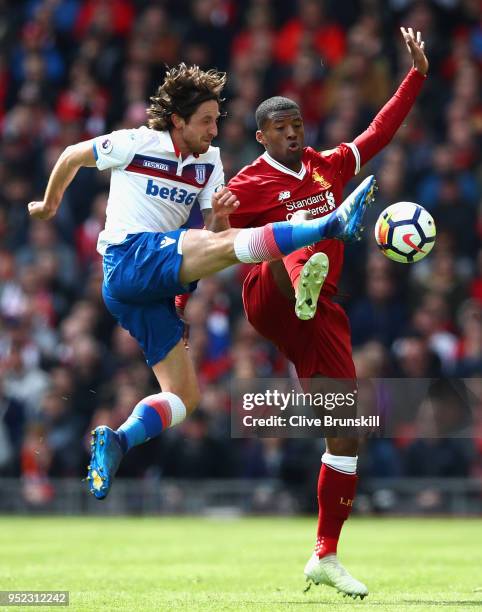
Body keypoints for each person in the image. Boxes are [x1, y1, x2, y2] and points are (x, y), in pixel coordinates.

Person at [27, 63, 375, 501]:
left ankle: (118, 440)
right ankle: (325, 226)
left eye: (217, 119)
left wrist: (224, 212)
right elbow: (73, 154)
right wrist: (49, 202)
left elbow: (216, 232)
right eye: (206, 120)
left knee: (183, 396)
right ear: (178, 121)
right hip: (130, 257)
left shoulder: (209, 161)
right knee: (228, 246)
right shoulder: (137, 142)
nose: (215, 129)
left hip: (150, 291)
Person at [197, 27, 427, 599]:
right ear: (262, 136)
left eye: (298, 125)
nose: (294, 134)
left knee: (345, 435)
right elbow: (209, 242)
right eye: (281, 128)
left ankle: (325, 553)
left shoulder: (329, 167)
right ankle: (305, 270)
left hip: (320, 316)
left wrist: (417, 74)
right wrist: (220, 222)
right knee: (292, 240)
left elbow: (379, 131)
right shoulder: (247, 182)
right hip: (269, 294)